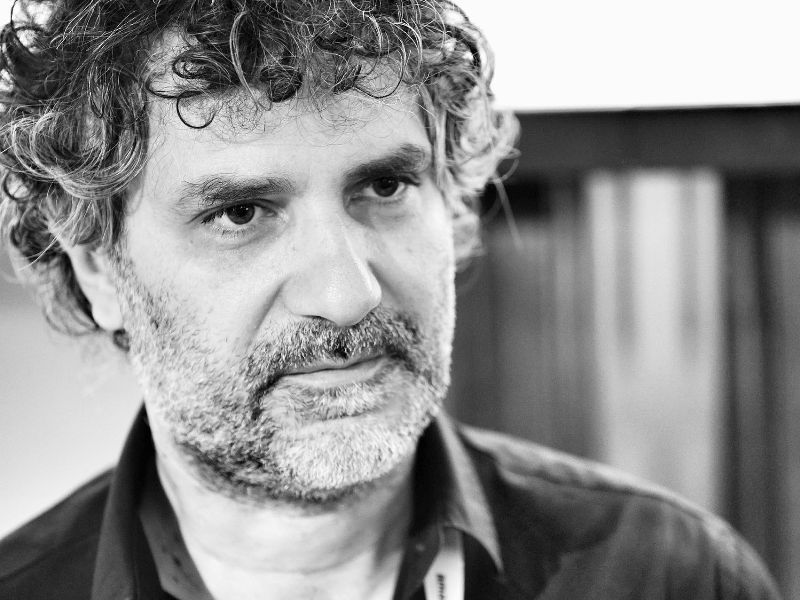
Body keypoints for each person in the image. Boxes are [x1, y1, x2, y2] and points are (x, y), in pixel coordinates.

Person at [0, 0, 783, 598]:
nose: (347, 295)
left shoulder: (669, 574)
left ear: (453, 201)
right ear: (97, 267)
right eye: (240, 213)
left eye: (385, 187)